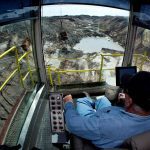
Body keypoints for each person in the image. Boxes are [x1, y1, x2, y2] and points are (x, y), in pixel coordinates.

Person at [63, 71, 150, 149]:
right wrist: (124, 103)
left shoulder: (106, 125)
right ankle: (92, 102)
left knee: (81, 101)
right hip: (114, 114)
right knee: (102, 99)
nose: (123, 92)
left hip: (96, 122)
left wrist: (68, 103)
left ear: (129, 101)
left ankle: (88, 101)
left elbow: (72, 123)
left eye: (125, 91)